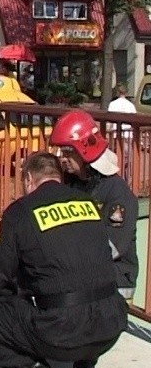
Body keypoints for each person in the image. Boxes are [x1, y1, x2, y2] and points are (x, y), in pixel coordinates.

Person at [0, 152, 127, 368]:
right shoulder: (89, 204)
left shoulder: (20, 212)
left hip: (61, 331)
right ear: (58, 177)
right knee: (86, 292)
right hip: (111, 324)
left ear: (29, 178)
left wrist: (16, 298)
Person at [49, 109, 138, 302]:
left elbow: (112, 248)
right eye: (61, 152)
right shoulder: (73, 184)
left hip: (114, 280)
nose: (63, 159)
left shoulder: (117, 193)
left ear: (85, 150)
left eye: (68, 152)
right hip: (82, 273)